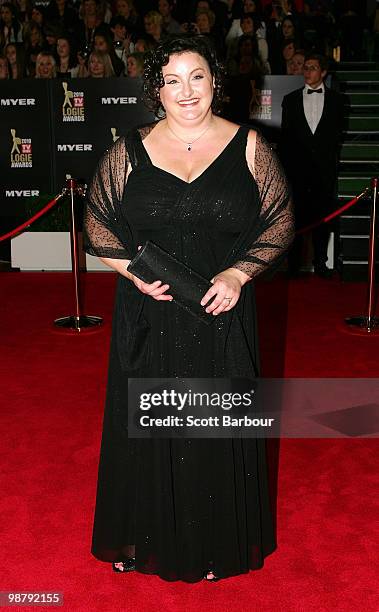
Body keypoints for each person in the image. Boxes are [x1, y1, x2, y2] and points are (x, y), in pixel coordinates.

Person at [83, 34, 293, 583]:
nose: (186, 90)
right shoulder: (128, 149)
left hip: (219, 312)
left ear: (214, 82)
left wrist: (238, 272)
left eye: (196, 76)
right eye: (172, 80)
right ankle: (145, 535)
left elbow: (279, 218)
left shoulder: (249, 145)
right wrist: (134, 274)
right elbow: (98, 224)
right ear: (157, 88)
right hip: (150, 315)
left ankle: (214, 545)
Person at [280, 52, 345, 278]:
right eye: (305, 67)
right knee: (296, 219)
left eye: (313, 67)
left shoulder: (338, 101)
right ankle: (294, 265)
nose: (307, 71)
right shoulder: (290, 100)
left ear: (323, 72)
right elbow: (286, 139)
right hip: (297, 173)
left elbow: (337, 137)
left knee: (323, 219)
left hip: (324, 173)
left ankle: (321, 263)